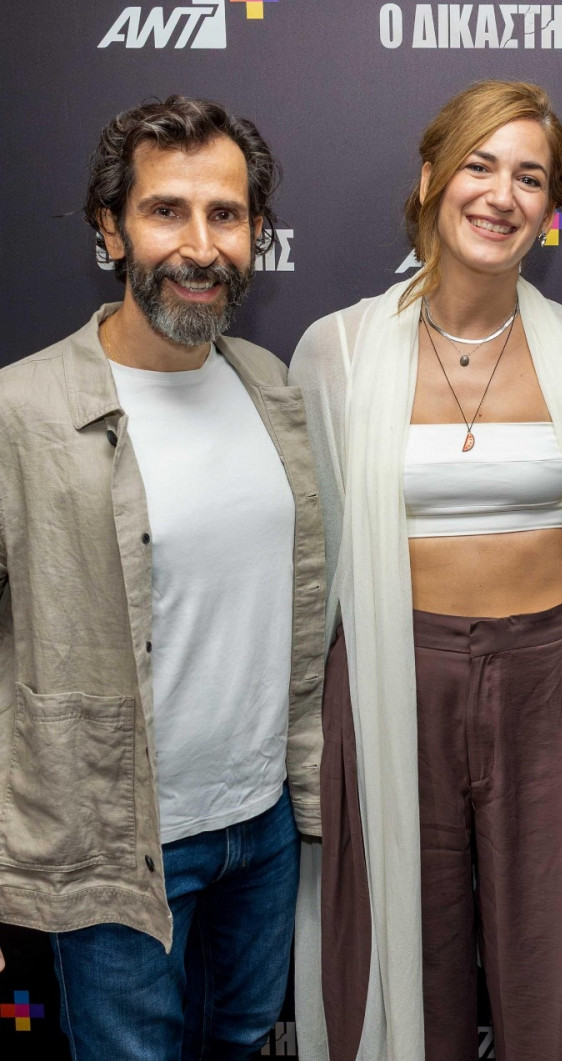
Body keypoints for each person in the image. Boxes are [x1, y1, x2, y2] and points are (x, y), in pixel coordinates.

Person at [289, 80, 562, 1061]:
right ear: (431, 178)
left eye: (530, 176)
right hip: (394, 678)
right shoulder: (336, 352)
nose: (501, 194)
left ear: (551, 207)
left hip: (552, 681)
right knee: (409, 959)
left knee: (552, 964)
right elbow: (317, 564)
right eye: (480, 164)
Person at [0, 96, 326, 1060]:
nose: (200, 245)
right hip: (114, 847)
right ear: (111, 229)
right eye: (165, 211)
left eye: (225, 215)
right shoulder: (22, 411)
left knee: (241, 1039)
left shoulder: (270, 384)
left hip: (262, 830)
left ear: (256, 233)